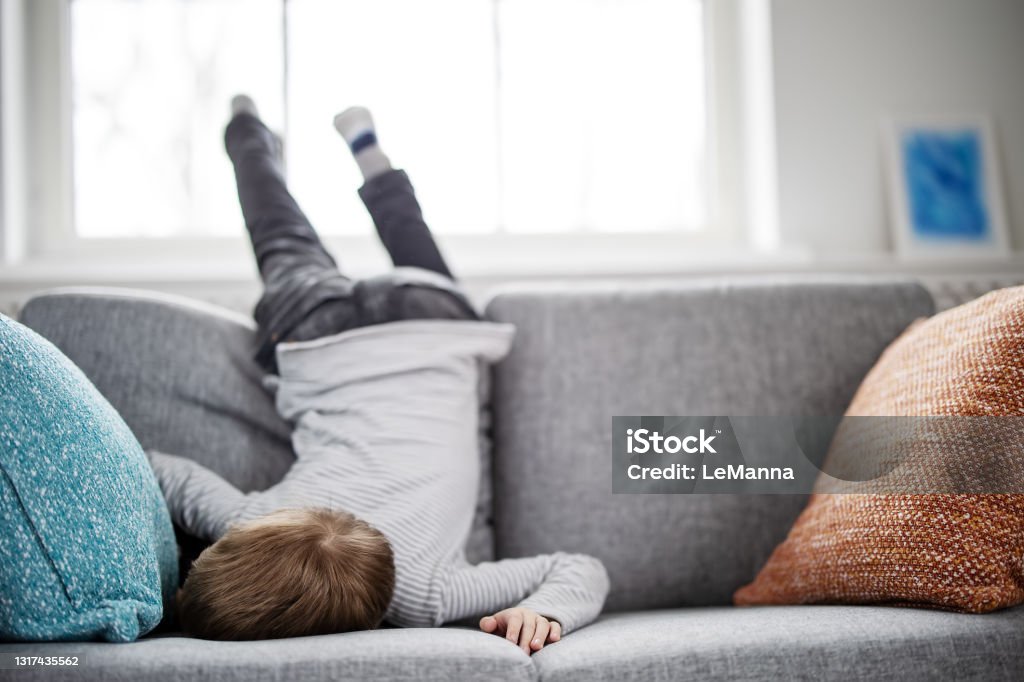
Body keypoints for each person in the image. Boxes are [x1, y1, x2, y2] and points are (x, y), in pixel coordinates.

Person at [147, 96, 609, 651]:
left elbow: (579, 568)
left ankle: (370, 153)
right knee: (280, 234)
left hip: (431, 328)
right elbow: (158, 470)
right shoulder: (249, 516)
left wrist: (546, 610)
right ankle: (248, 131)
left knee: (412, 241)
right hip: (321, 336)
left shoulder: (429, 595)